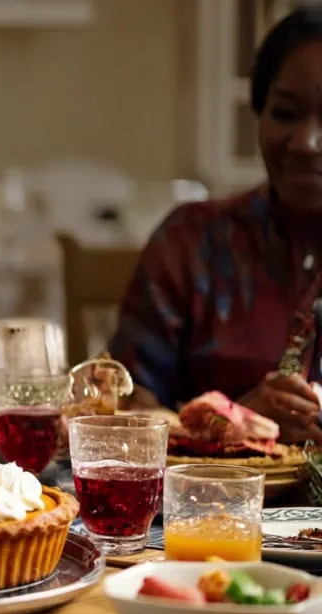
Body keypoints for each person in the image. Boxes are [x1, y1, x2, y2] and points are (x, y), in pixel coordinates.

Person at [109, 5, 322, 444]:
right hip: (197, 489)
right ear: (258, 112)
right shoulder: (190, 245)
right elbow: (121, 412)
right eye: (285, 113)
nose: (305, 143)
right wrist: (231, 422)